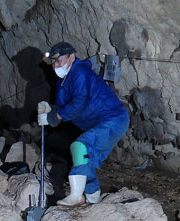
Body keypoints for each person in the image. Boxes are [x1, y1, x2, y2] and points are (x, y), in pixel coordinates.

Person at [37, 42, 129, 207]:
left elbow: (79, 102)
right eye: (53, 62)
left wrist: (53, 117)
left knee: (80, 146)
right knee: (87, 161)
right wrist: (50, 109)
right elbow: (65, 107)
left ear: (72, 57)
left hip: (112, 119)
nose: (55, 65)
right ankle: (93, 201)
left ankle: (76, 196)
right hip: (99, 123)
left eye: (59, 60)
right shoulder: (63, 82)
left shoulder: (80, 72)